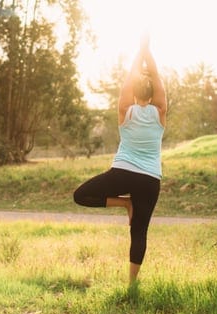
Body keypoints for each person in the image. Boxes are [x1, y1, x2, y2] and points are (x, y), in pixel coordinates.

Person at [73, 36, 167, 284]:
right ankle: (132, 285)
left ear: (134, 93)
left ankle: (124, 204)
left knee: (80, 195)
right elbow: (156, 76)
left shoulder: (125, 111)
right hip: (149, 180)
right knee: (139, 232)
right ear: (153, 94)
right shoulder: (160, 113)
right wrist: (148, 51)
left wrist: (139, 51)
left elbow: (128, 80)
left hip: (122, 173)